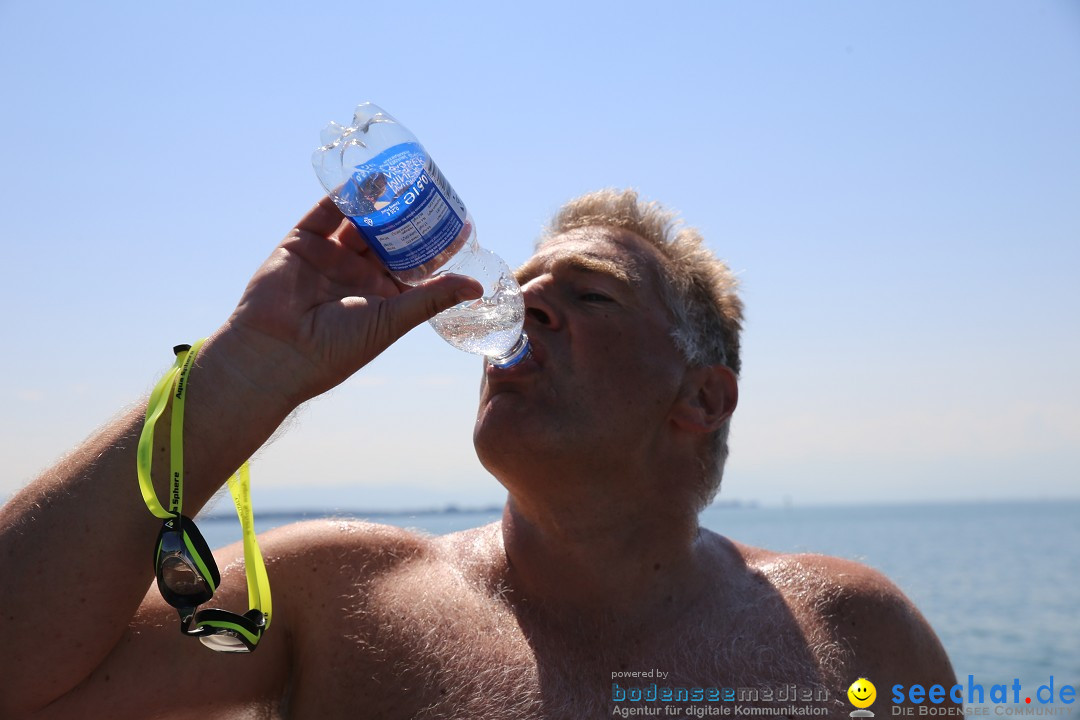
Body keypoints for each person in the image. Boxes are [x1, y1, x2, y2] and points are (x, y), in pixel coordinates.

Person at [0, 189, 956, 719]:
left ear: (702, 398)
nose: (519, 308)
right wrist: (241, 373)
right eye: (521, 288)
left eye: (589, 297)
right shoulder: (337, 593)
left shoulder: (856, 637)